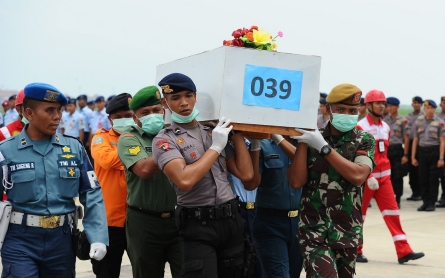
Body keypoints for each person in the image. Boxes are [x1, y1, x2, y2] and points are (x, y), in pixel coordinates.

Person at [0, 82, 108, 277]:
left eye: (59, 110)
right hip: (20, 239)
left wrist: (98, 236)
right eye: (50, 110)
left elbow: (91, 192)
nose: (57, 116)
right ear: (29, 113)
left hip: (62, 241)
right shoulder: (5, 150)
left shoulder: (74, 148)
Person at [152, 73, 254, 277]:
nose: (184, 103)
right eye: (176, 98)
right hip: (197, 225)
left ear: (195, 97)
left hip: (230, 218)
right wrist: (216, 147)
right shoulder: (164, 140)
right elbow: (185, 180)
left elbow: (246, 174)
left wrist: (238, 132)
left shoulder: (212, 131)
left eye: (189, 96)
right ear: (165, 102)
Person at [287, 84, 375, 277]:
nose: (347, 114)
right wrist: (304, 141)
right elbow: (295, 181)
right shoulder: (312, 137)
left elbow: (359, 176)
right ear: (328, 109)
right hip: (313, 230)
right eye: (341, 109)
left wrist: (323, 147)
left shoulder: (364, 140)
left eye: (352, 110)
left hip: (347, 231)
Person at [118, 86, 182, 278]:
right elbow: (144, 169)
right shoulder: (129, 138)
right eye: (145, 113)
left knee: (188, 271)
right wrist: (170, 149)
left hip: (178, 219)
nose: (152, 115)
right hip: (144, 222)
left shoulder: (175, 132)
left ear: (164, 111)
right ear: (135, 117)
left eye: (156, 111)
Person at [357, 89, 424, 264]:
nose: (382, 106)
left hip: (384, 179)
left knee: (393, 213)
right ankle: (355, 250)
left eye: (383, 103)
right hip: (367, 180)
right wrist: (368, 175)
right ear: (369, 105)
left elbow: (383, 154)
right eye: (378, 103)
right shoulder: (361, 127)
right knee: (359, 215)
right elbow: (359, 154)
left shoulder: (386, 127)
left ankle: (404, 251)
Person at [243, 134, 303, 278]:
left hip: (300, 224)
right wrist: (256, 146)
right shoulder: (264, 144)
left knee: (294, 274)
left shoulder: (306, 144)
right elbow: (251, 184)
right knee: (279, 275)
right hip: (270, 223)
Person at [91, 93, 133, 277]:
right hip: (109, 222)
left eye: (128, 115)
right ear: (110, 119)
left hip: (137, 220)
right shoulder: (102, 138)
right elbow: (107, 160)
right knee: (107, 272)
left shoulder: (142, 137)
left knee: (147, 270)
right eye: (118, 117)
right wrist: (138, 154)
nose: (124, 120)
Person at [411, 100, 445, 211]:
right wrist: (413, 157)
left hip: (434, 152)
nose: (429, 110)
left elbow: (442, 141)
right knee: (423, 178)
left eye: (431, 108)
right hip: (422, 152)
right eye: (427, 108)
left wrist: (441, 158)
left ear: (435, 109)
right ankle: (425, 202)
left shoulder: (440, 122)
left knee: (433, 179)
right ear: (424, 109)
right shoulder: (419, 122)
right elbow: (415, 141)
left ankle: (431, 203)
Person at [383, 97, 410, 207]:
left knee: (397, 175)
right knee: (387, 176)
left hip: (398, 149)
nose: (390, 108)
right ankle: (389, 197)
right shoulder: (384, 120)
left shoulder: (403, 120)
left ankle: (397, 198)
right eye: (388, 106)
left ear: (397, 107)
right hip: (387, 149)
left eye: (392, 106)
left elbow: (406, 138)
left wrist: (406, 154)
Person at [406, 96, 424, 201]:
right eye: (415, 102)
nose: (416, 104)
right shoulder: (408, 117)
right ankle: (414, 192)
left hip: (420, 144)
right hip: (410, 143)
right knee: (411, 170)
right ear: (412, 104)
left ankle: (421, 192)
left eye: (418, 103)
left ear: (421, 105)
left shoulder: (424, 116)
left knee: (420, 170)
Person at [436, 96, 445, 207]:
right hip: (440, 149)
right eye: (443, 102)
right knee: (442, 175)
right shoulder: (436, 117)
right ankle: (443, 196)